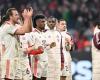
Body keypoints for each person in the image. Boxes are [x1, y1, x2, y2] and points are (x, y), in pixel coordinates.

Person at [0, 7, 33, 80]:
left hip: (16, 59)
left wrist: (29, 17)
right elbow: (23, 30)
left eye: (18, 14)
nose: (18, 16)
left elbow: (28, 30)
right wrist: (26, 18)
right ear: (10, 16)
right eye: (16, 15)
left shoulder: (16, 26)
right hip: (8, 59)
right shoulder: (7, 26)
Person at [27, 14, 48, 80]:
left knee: (44, 78)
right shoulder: (32, 34)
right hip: (37, 62)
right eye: (42, 22)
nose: (44, 23)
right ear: (37, 23)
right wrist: (38, 51)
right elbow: (29, 50)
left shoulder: (44, 34)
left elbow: (44, 47)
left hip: (46, 61)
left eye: (44, 21)